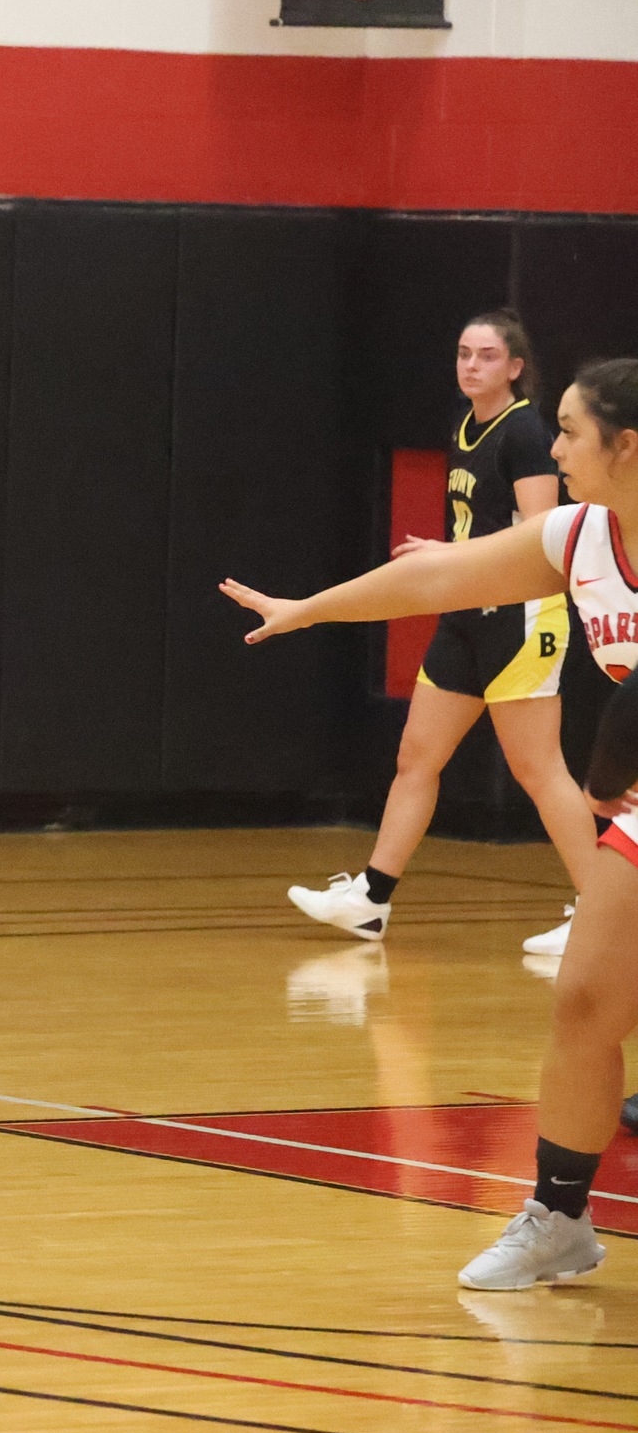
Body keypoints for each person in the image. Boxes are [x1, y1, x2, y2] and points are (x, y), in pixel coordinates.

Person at [223, 356, 638, 1291]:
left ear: (626, 446)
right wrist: (306, 612)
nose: (555, 447)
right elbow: (436, 579)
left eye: (570, 432)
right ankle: (558, 1220)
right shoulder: (577, 536)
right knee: (583, 1000)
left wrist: (612, 763)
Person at [285, 311, 589, 954]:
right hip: (464, 615)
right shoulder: (464, 425)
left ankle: (601, 910)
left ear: (513, 367)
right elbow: (478, 530)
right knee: (417, 758)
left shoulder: (527, 430)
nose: (470, 365)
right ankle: (371, 898)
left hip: (520, 615)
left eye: (485, 356)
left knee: (540, 771)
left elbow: (541, 532)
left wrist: (453, 557)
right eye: (462, 354)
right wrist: (448, 553)